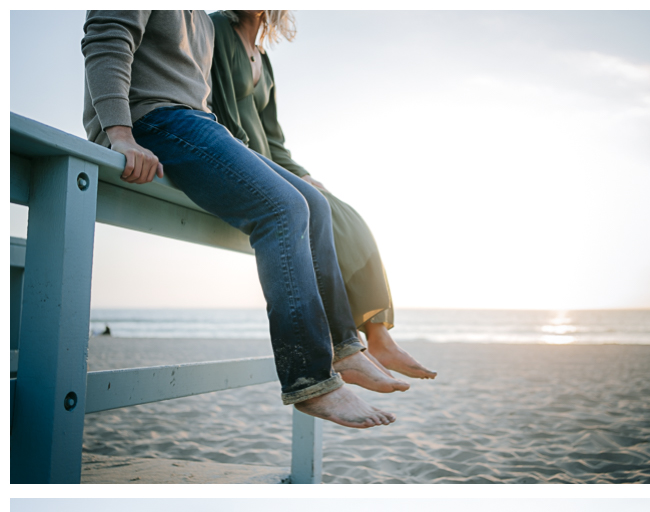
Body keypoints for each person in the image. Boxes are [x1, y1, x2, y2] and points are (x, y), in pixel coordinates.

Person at [81, 11, 403, 430]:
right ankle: (310, 380)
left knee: (314, 205)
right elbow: (107, 37)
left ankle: (343, 347)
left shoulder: (198, 17)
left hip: (196, 121)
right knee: (282, 210)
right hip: (154, 119)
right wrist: (120, 133)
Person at [210, 10, 437, 383]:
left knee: (346, 215)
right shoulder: (217, 27)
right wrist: (274, 174)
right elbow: (224, 118)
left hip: (273, 163)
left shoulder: (263, 59)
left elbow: (275, 138)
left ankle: (379, 336)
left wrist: (303, 175)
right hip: (241, 162)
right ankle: (343, 347)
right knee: (312, 210)